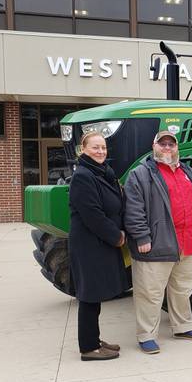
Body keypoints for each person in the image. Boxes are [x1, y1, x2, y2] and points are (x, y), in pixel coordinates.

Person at [124, 130, 192, 354]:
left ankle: (183, 326)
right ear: (153, 146)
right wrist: (142, 236)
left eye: (170, 144)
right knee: (150, 293)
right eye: (162, 144)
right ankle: (146, 335)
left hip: (188, 243)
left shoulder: (189, 172)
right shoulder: (140, 175)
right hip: (156, 244)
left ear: (177, 148)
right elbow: (133, 209)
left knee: (182, 290)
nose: (166, 148)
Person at [68, 132, 129, 361]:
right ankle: (89, 348)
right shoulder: (84, 176)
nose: (101, 151)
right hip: (89, 245)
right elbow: (92, 215)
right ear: (83, 150)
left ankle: (94, 339)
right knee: (89, 296)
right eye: (95, 147)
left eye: (103, 147)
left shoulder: (102, 173)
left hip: (99, 243)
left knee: (95, 296)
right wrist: (117, 236)